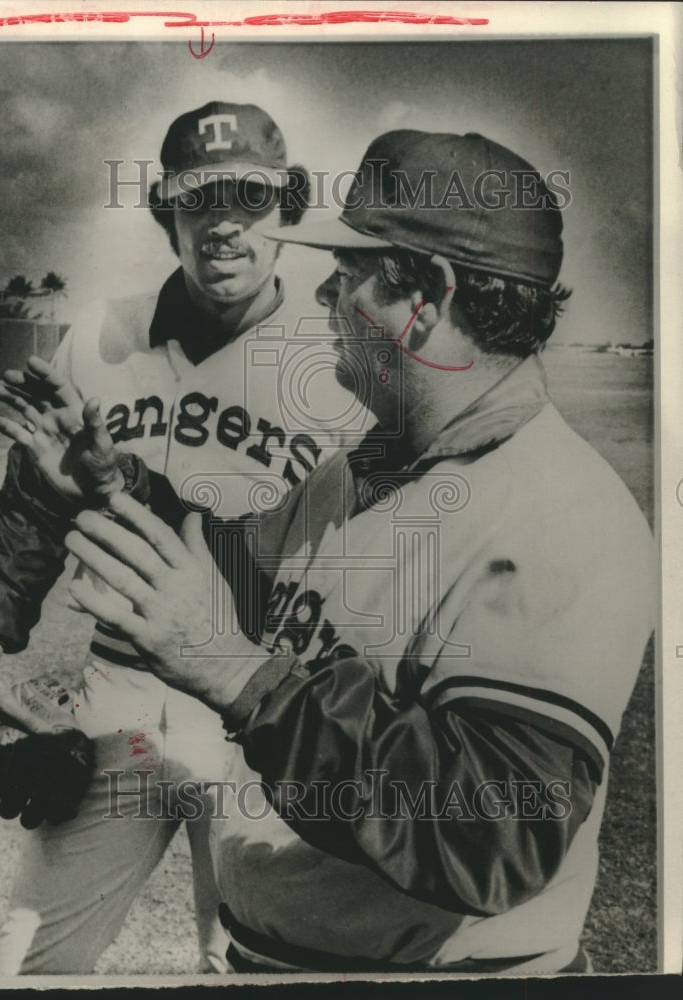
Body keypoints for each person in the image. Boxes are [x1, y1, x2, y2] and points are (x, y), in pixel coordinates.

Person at [62, 129, 657, 974]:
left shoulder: (565, 515)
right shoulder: (367, 464)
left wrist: (238, 678)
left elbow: (493, 832)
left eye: (349, 275)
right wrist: (122, 482)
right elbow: (234, 576)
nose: (324, 297)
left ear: (427, 298)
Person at [0, 101, 369, 974]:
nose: (222, 224)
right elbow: (35, 493)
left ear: (287, 208)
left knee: (242, 958)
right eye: (197, 199)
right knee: (29, 963)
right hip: (120, 694)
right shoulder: (100, 338)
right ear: (164, 213)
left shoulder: (343, 357)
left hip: (267, 699)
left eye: (248, 198)